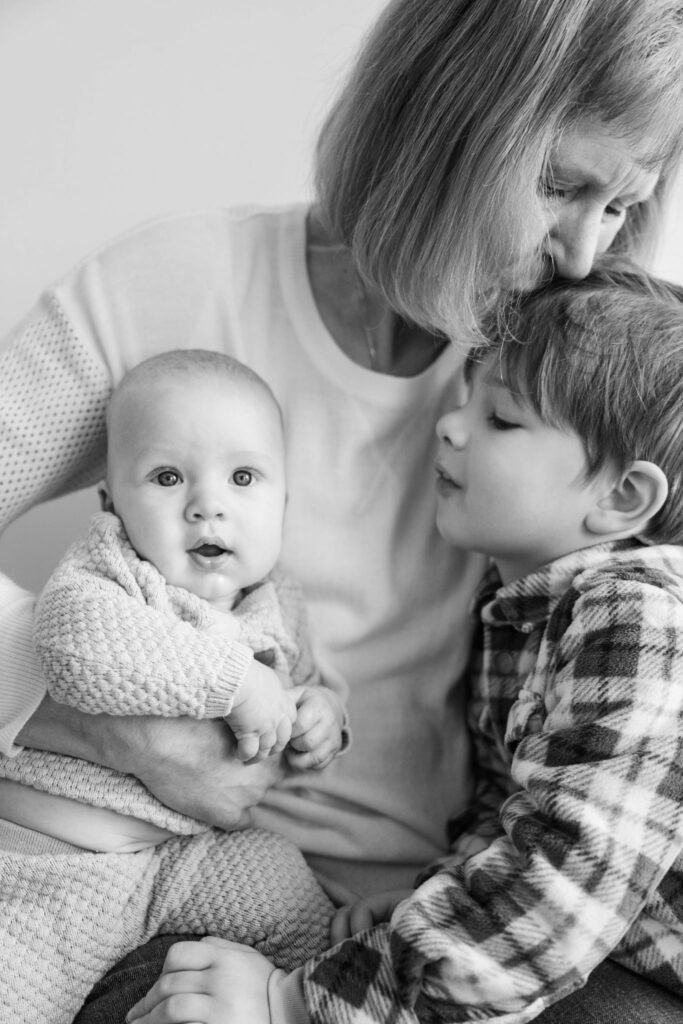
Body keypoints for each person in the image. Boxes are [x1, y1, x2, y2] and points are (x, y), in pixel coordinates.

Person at [1, 0, 682, 1020]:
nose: (584, 255)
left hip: (439, 924)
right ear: (442, 126)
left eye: (621, 205)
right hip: (183, 891)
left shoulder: (565, 376)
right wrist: (71, 710)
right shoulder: (175, 285)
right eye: (556, 185)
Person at [127, 261, 683, 1023]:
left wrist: (295, 1004)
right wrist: (438, 898)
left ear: (621, 497)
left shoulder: (636, 617)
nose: (450, 425)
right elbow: (519, 812)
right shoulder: (526, 609)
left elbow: (555, 892)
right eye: (464, 399)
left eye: (501, 419)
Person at [0, 349, 345, 1023]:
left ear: (283, 502)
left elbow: (303, 686)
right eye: (166, 477)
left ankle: (341, 994)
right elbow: (73, 646)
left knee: (290, 894)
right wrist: (233, 682)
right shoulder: (112, 569)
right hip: (56, 864)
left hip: (180, 864)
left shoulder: (278, 603)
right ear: (112, 503)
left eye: (243, 477)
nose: (207, 506)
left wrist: (320, 719)